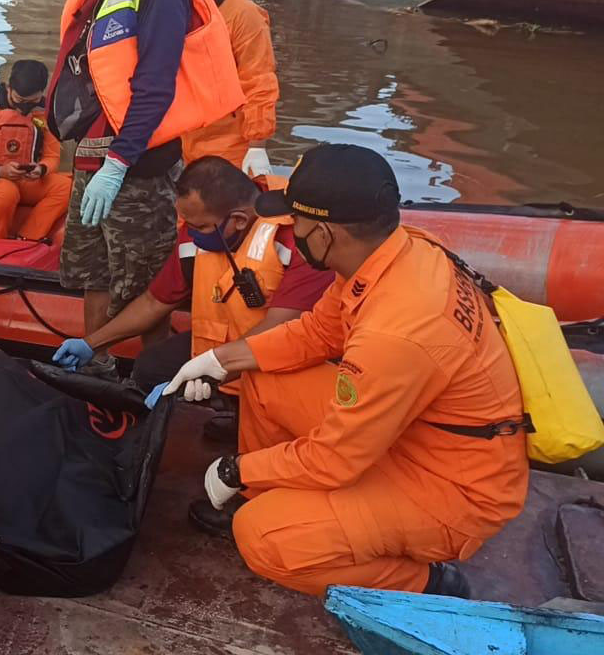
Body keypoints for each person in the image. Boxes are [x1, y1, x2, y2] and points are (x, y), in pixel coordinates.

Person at [161, 144, 529, 599]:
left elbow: (335, 458)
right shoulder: (398, 253)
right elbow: (316, 332)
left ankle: (428, 583)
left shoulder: (396, 332)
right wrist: (220, 361)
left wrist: (239, 468)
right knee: (264, 369)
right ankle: (266, 496)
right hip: (415, 433)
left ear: (325, 232)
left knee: (263, 540)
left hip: (451, 488)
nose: (291, 231)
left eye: (297, 223)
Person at [45, 0, 244, 378]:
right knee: (91, 275)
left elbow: (156, 85)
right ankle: (94, 365)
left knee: (146, 285)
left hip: (135, 168)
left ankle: (158, 383)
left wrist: (118, 163)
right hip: (88, 160)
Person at [52, 156, 333, 432]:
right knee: (151, 368)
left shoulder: (299, 242)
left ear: (237, 219)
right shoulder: (198, 232)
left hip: (279, 355)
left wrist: (210, 367)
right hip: (219, 342)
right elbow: (154, 302)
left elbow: (280, 329)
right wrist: (91, 344)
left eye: (198, 226)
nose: (190, 232)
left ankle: (237, 418)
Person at [176, 0, 279, 177]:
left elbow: (259, 80)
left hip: (230, 145)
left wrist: (257, 144)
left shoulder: (243, 15)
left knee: (225, 208)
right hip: (181, 141)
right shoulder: (176, 13)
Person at [0, 59, 72, 242]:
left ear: (42, 93)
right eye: (20, 101)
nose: (25, 108)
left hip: (28, 179)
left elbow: (52, 157)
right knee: (7, 192)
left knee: (68, 188)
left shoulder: (46, 113)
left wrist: (41, 169)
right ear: (8, 89)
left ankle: (28, 238)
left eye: (33, 101)